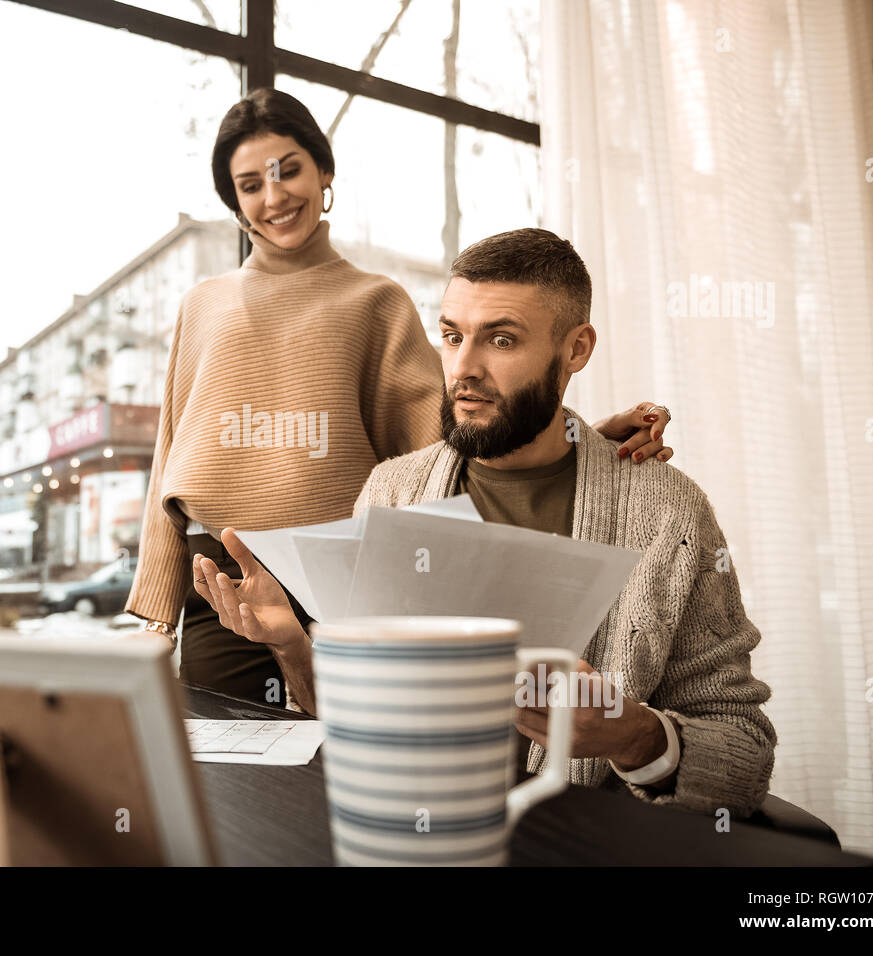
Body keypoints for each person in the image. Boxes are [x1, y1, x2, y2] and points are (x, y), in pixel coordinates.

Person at [191, 227, 778, 817]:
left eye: (501, 339)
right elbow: (351, 727)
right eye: (451, 336)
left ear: (575, 350)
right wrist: (292, 646)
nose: (463, 369)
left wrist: (635, 737)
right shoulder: (392, 492)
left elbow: (745, 758)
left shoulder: (669, 515)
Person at [126, 88, 673, 707]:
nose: (274, 196)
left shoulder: (375, 301)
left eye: (289, 170)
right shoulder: (202, 304)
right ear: (235, 202)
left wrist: (578, 442)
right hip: (220, 587)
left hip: (342, 579)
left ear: (323, 171)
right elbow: (170, 450)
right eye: (250, 184)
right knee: (226, 782)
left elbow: (448, 449)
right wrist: (156, 607)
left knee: (339, 769)